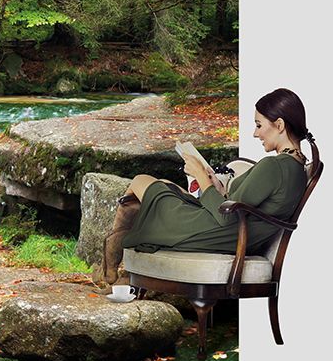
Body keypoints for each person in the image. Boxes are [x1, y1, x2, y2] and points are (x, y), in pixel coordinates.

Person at [96, 88, 314, 286]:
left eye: (259, 125)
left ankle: (111, 265)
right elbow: (241, 205)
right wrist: (216, 186)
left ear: (279, 125)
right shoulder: (295, 167)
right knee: (163, 185)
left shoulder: (274, 166)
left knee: (140, 181)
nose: (255, 134)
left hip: (216, 233)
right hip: (230, 233)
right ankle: (116, 268)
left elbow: (227, 217)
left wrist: (201, 176)